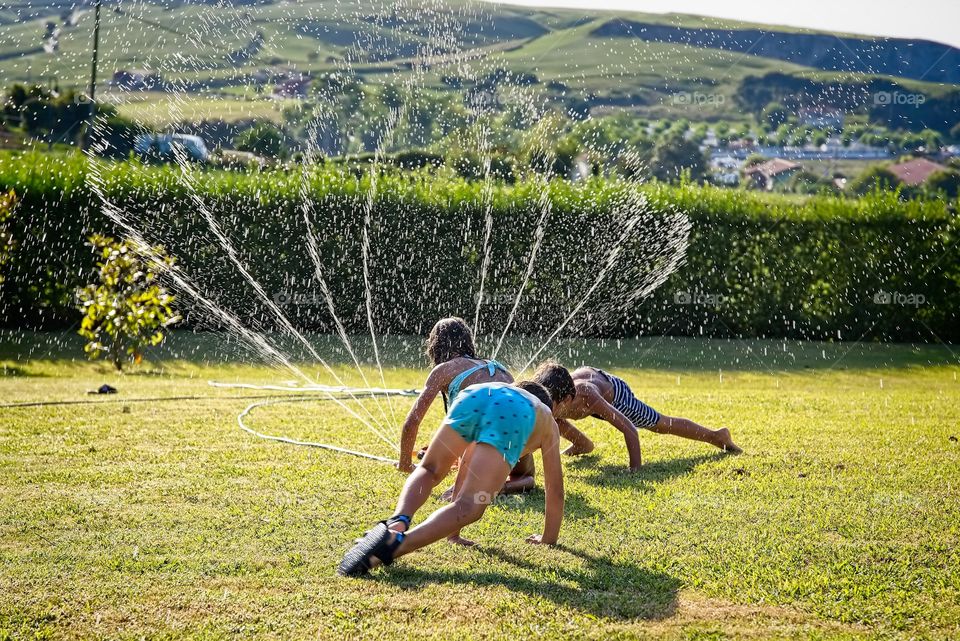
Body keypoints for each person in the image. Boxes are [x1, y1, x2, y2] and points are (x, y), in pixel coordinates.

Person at [337, 380, 564, 577]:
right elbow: (555, 489)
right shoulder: (545, 419)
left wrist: (453, 533)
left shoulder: (505, 392)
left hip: (476, 394)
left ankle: (397, 522)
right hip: (514, 412)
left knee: (430, 469)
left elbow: (467, 463)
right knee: (471, 506)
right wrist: (548, 539)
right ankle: (395, 545)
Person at [398, 317, 535, 497]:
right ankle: (501, 485)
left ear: (435, 346)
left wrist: (405, 464)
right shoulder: (501, 370)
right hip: (518, 442)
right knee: (527, 477)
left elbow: (413, 421)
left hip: (483, 446)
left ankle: (480, 483)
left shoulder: (444, 370)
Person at [532, 362, 741, 471]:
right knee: (552, 417)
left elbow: (629, 429)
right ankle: (583, 445)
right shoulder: (551, 396)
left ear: (567, 399)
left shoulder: (587, 396)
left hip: (615, 392)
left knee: (660, 424)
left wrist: (635, 469)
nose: (547, 406)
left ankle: (717, 436)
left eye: (552, 403)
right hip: (586, 377)